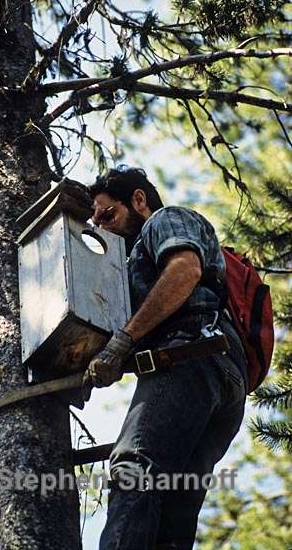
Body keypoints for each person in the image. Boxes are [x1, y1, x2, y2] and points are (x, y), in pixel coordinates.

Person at [82, 167, 248, 550]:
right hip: (216, 374)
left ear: (138, 200)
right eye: (96, 223)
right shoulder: (131, 268)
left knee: (133, 468)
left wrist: (122, 341)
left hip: (192, 356)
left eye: (108, 215)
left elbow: (185, 270)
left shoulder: (164, 219)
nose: (103, 228)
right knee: (172, 511)